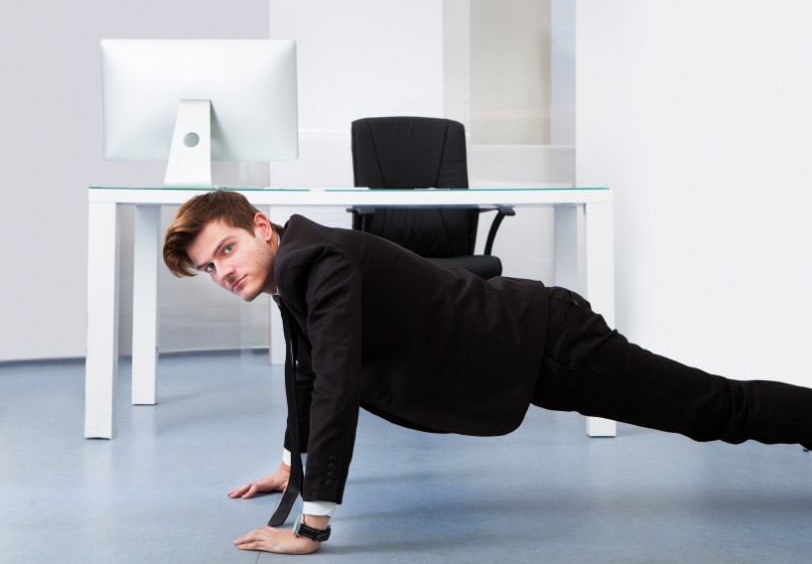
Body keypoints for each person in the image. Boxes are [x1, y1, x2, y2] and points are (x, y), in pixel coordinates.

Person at [163, 190, 812, 555]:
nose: (224, 271)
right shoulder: (296, 267)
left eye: (227, 249)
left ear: (261, 225)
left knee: (712, 410)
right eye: (209, 268)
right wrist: (291, 461)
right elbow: (308, 373)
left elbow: (336, 381)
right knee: (710, 410)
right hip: (526, 351)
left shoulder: (316, 262)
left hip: (551, 341)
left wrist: (312, 524)